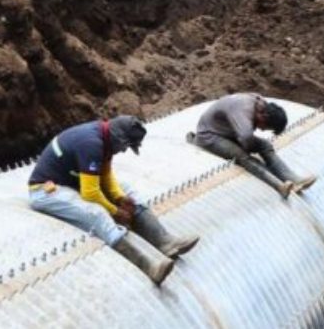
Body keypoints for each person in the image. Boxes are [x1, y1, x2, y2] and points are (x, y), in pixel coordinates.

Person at [28, 115, 199, 286]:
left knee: (128, 191)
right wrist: (115, 211)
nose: (124, 151)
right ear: (118, 138)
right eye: (125, 146)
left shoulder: (105, 139)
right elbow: (90, 193)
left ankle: (165, 242)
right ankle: (149, 267)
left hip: (72, 183)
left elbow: (106, 176)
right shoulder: (92, 144)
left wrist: (121, 198)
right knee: (97, 214)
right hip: (46, 191)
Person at [189, 94, 317, 198]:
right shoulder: (243, 113)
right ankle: (279, 186)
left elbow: (248, 139)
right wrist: (246, 148)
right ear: (263, 116)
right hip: (210, 136)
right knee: (243, 156)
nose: (261, 130)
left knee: (265, 145)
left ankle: (293, 179)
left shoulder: (260, 104)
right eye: (264, 127)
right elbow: (246, 141)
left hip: (227, 131)